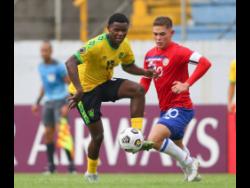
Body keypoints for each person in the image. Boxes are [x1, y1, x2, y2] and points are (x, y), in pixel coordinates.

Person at [65, 13, 157, 183]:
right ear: (108, 29)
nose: (120, 34)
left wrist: (145, 72)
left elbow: (128, 66)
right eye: (116, 30)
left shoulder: (124, 45)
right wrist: (78, 90)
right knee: (98, 136)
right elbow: (70, 62)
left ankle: (137, 135)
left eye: (124, 30)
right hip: (84, 92)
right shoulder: (96, 45)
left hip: (104, 84)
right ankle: (91, 172)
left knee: (138, 90)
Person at [139, 16, 212, 182]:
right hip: (166, 109)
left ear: (171, 33)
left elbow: (205, 63)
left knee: (153, 140)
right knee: (177, 146)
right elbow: (145, 80)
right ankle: (191, 172)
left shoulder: (180, 51)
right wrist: (138, 100)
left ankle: (190, 162)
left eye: (162, 34)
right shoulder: (150, 55)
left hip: (181, 107)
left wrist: (187, 84)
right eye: (155, 34)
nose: (158, 38)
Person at [31, 41, 75, 174]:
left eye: (46, 50)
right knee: (48, 134)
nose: (44, 53)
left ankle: (71, 167)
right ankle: (51, 166)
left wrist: (67, 104)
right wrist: (37, 102)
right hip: (48, 103)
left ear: (51, 51)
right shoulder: (41, 67)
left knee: (62, 132)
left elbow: (70, 85)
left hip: (60, 101)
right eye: (42, 50)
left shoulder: (59, 67)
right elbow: (44, 86)